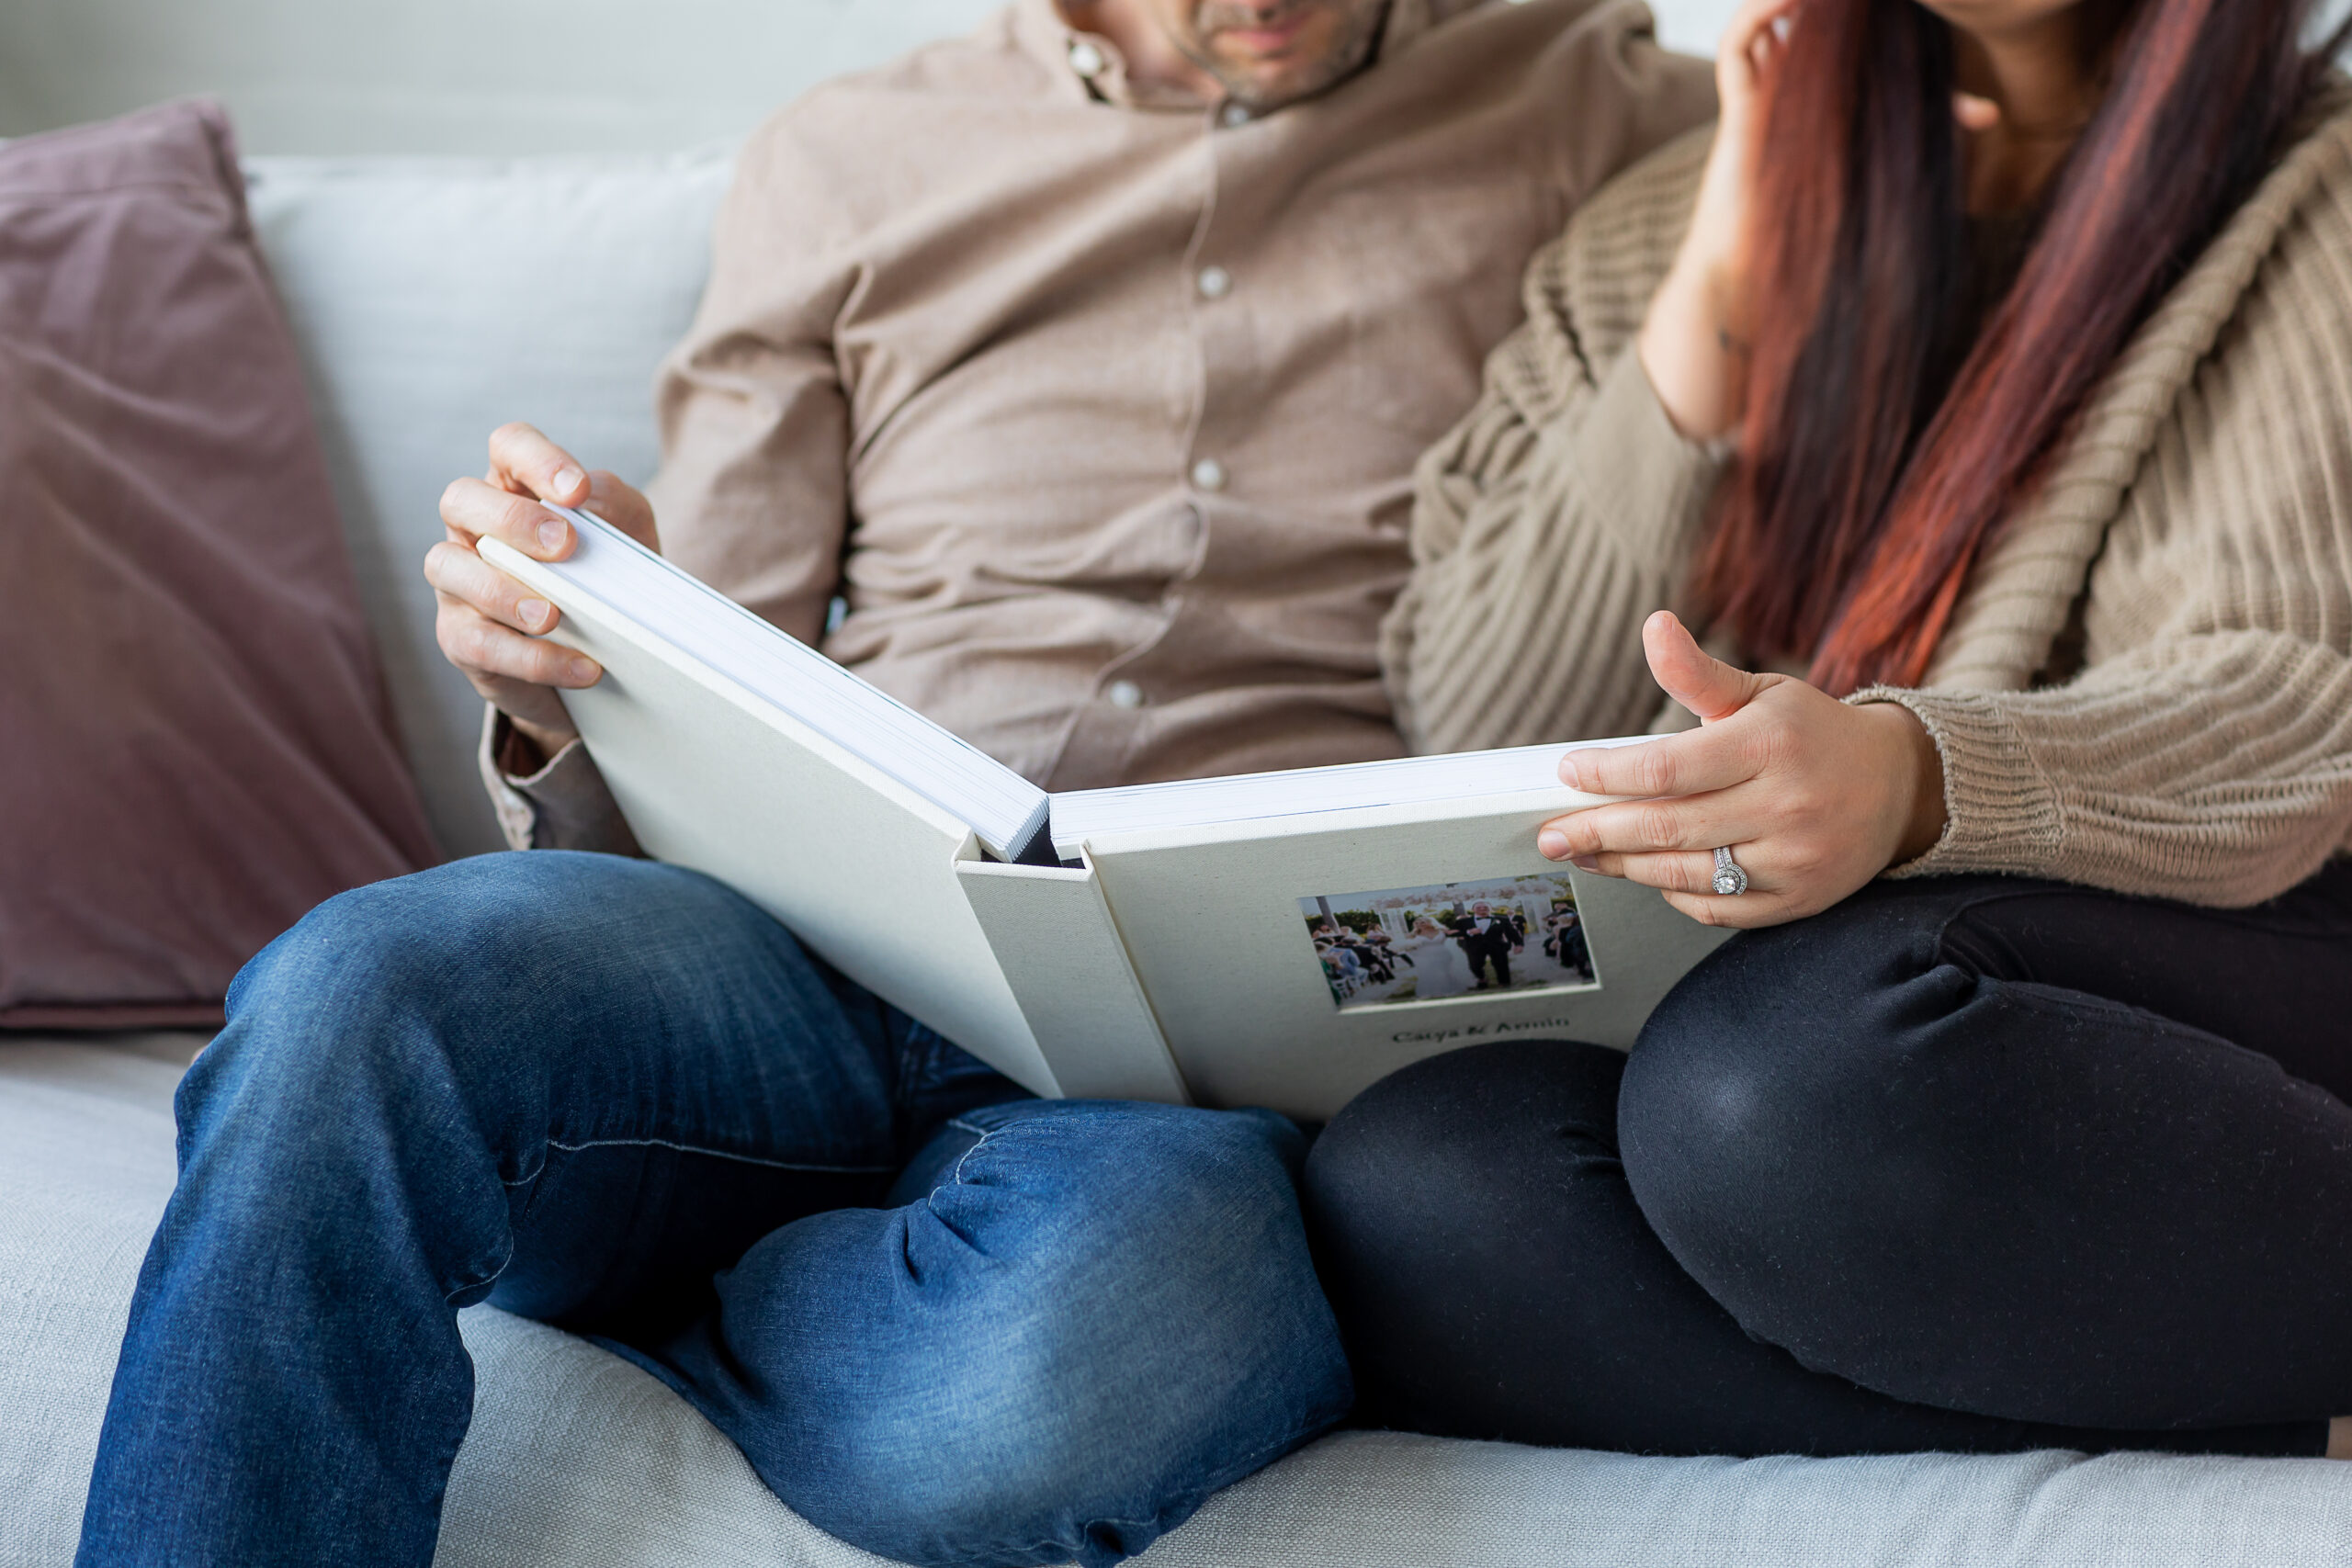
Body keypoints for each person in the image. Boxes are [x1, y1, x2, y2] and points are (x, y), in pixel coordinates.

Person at [74, 6, 1715, 1567]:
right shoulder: (850, 155)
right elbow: (725, 654)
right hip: (804, 940)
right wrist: (576, 659)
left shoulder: (1613, 113)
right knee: (352, 989)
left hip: (1188, 1047)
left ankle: (692, 1267)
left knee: (1105, 1341)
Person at [1309, 0, 2352, 1461]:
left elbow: (2297, 714)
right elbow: (1481, 722)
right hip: (1842, 1014)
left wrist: (1918, 781)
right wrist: (1722, 290)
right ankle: (2252, 1406)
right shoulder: (1664, 220)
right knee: (1419, 1176)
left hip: (2225, 960)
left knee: (1776, 1092)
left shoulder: (2321, 187)